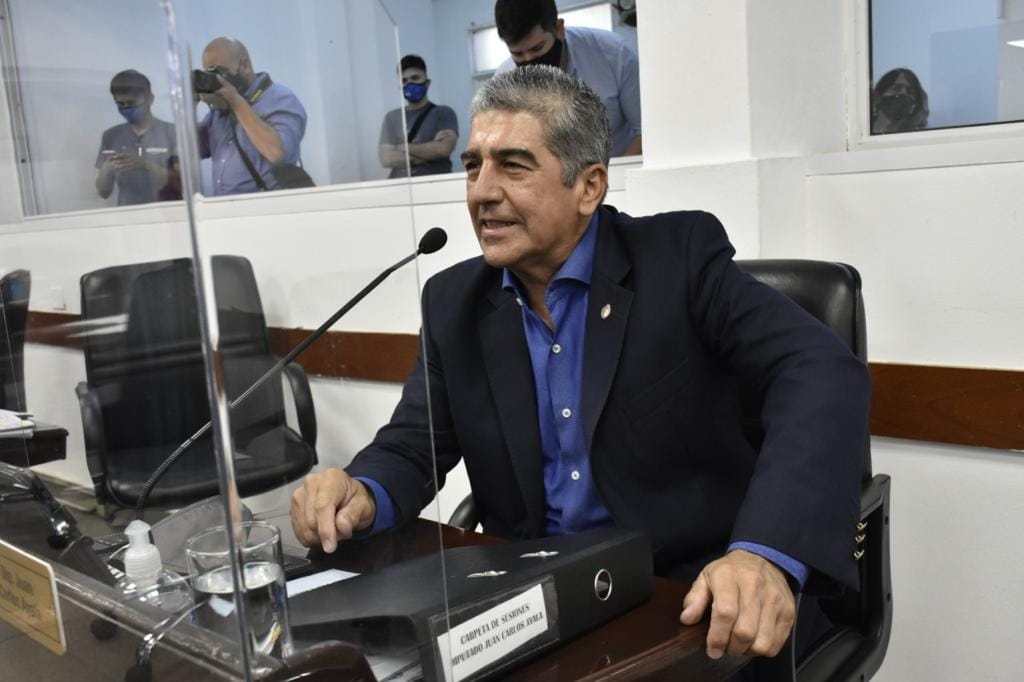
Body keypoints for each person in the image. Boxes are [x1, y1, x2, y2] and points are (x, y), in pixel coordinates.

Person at [290, 66, 871, 670]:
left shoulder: (680, 260)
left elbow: (821, 372)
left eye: (513, 166)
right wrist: (362, 490)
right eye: (472, 165)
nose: (481, 192)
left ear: (589, 187)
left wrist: (764, 553)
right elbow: (414, 444)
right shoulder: (452, 302)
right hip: (529, 605)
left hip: (685, 599)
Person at [493, 0, 641, 157]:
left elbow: (644, 131)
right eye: (518, 54)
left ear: (559, 29)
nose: (529, 60)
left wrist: (615, 172)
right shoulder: (503, 81)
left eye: (537, 48)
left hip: (618, 164)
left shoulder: (616, 56)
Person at [197, 37, 307, 195]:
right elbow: (192, 152)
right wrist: (190, 103)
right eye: (209, 74)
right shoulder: (219, 112)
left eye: (218, 72)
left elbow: (277, 153)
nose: (216, 79)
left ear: (245, 66)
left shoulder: (280, 98)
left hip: (268, 206)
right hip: (224, 208)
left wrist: (236, 102)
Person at [94, 70, 176, 206]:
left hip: (167, 212)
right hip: (128, 214)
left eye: (132, 102)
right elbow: (103, 192)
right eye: (121, 104)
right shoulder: (111, 136)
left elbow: (184, 182)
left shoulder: (172, 133)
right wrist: (107, 168)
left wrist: (144, 165)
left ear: (150, 99)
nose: (126, 108)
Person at [379, 54, 459, 178]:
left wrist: (401, 147)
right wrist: (428, 150)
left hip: (436, 184)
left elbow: (443, 149)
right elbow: (386, 159)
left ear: (427, 83)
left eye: (415, 78)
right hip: (399, 185)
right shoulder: (391, 117)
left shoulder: (443, 113)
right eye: (404, 80)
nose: (409, 83)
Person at [871, 67, 929, 134]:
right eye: (896, 88)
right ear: (879, 94)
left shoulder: (920, 135)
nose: (903, 93)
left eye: (910, 91)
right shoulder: (865, 128)